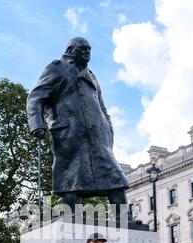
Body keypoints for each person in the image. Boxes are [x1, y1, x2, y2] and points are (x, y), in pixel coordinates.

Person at [26, 37, 130, 224]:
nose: (87, 53)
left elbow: (102, 107)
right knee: (71, 178)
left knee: (115, 177)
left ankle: (124, 219)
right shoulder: (56, 68)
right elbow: (35, 97)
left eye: (89, 49)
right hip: (69, 134)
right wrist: (37, 124)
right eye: (83, 49)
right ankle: (68, 215)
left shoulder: (92, 75)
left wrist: (108, 129)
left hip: (98, 137)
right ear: (71, 50)